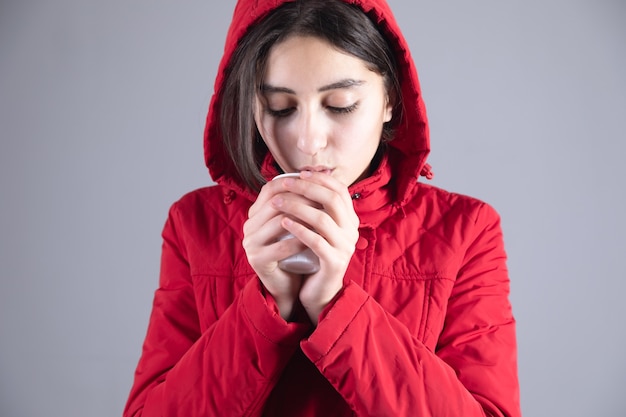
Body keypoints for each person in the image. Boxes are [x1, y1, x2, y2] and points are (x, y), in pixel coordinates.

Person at [124, 0, 521, 416]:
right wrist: (266, 306)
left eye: (341, 104)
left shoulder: (466, 230)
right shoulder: (195, 224)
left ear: (390, 99)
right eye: (280, 108)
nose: (308, 141)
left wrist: (334, 305)